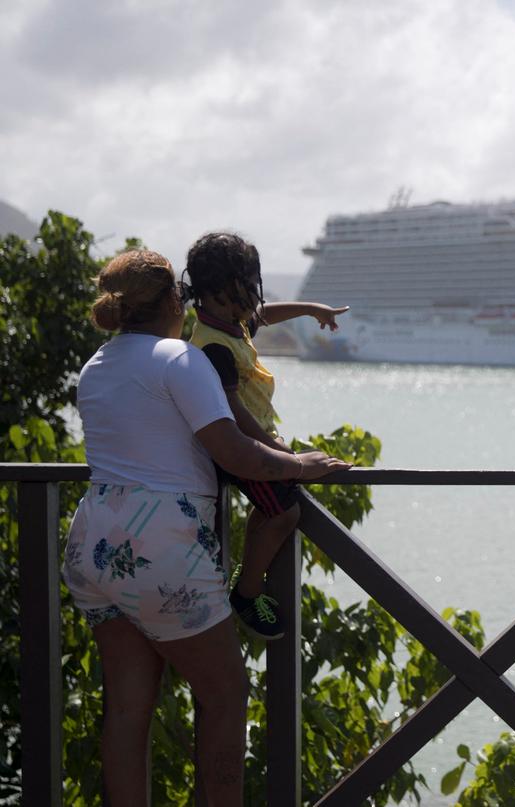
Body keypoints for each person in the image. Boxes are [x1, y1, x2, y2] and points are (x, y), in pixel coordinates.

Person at [61, 249, 350, 805]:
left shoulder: (97, 364)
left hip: (93, 542)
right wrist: (299, 466)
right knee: (224, 695)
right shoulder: (180, 359)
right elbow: (233, 451)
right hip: (159, 546)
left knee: (127, 708)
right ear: (174, 300)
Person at [181, 231, 349, 641]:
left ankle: (248, 570)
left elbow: (263, 315)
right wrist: (279, 453)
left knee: (273, 505)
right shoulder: (214, 346)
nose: (253, 302)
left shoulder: (226, 322)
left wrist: (309, 308)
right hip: (237, 445)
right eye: (247, 288)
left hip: (252, 439)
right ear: (222, 290)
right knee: (285, 512)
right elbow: (232, 414)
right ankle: (247, 592)